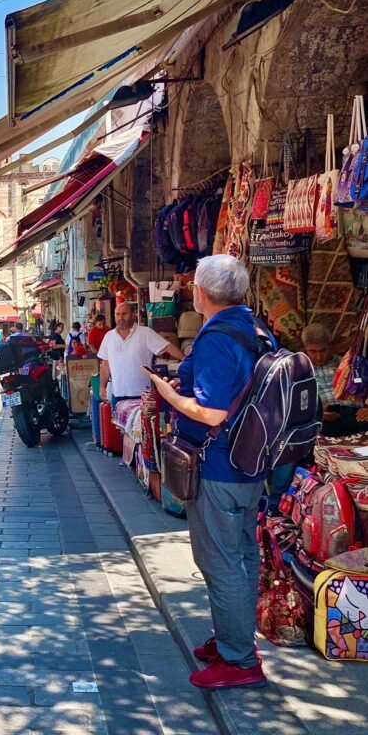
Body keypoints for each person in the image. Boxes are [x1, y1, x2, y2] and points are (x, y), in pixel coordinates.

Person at [150, 256, 272, 689]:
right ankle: (233, 638)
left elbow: (213, 413)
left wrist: (170, 394)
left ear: (201, 293)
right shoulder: (256, 329)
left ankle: (239, 660)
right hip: (249, 462)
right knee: (241, 555)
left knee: (220, 561)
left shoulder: (218, 337)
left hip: (219, 463)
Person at [97, 302, 183, 405]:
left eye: (124, 314)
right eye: (118, 314)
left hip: (142, 394)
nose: (121, 317)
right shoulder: (109, 337)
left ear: (133, 315)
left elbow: (167, 347)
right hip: (118, 394)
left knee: (143, 421)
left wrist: (186, 359)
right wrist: (102, 386)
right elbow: (105, 364)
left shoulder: (145, 333)